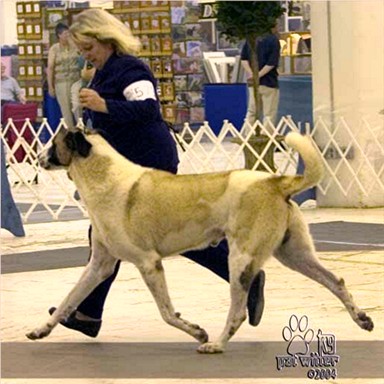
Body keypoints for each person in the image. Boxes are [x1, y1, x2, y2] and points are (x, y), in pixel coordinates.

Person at [49, 8, 266, 337]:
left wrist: (103, 105)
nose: (84, 55)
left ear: (107, 40)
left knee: (162, 235)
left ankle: (246, 275)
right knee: (107, 240)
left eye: (88, 48)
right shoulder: (102, 71)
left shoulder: (130, 69)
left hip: (149, 162)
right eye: (81, 50)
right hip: (125, 169)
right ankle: (88, 314)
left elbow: (148, 109)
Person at [241, 24, 280, 132]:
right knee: (269, 113)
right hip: (269, 82)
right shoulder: (273, 40)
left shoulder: (251, 39)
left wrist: (252, 74)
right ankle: (267, 137)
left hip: (252, 84)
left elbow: (243, 59)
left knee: (251, 111)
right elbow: (271, 63)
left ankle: (248, 136)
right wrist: (258, 76)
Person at [47, 22, 81, 128]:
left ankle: (81, 129)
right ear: (59, 35)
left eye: (69, 33)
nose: (68, 36)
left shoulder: (75, 45)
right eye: (65, 34)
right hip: (61, 82)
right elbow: (50, 68)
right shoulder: (54, 49)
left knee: (77, 105)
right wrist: (50, 87)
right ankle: (71, 133)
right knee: (66, 110)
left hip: (76, 80)